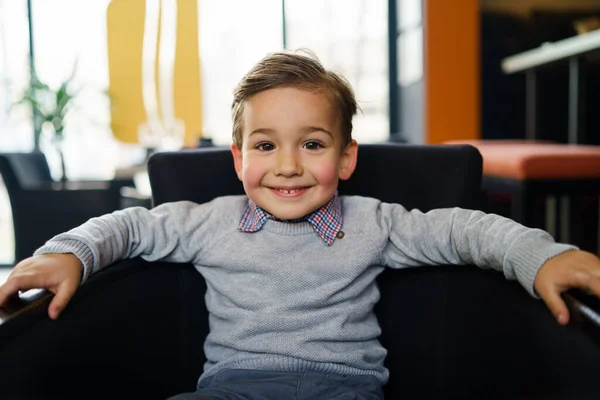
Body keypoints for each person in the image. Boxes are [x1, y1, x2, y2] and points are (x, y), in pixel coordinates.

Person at [1, 49, 599, 400]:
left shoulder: (375, 222)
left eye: (312, 144)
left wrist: (541, 255)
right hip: (230, 389)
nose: (288, 166)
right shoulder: (208, 222)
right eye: (265, 146)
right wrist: (69, 252)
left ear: (345, 158)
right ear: (238, 161)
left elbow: (465, 230)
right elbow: (128, 228)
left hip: (345, 391)